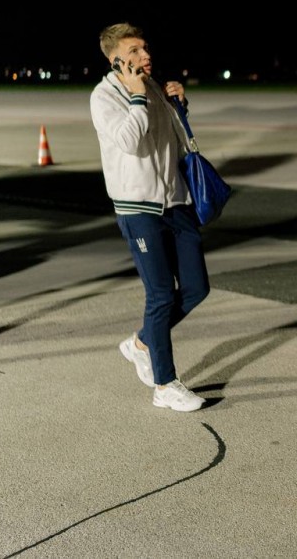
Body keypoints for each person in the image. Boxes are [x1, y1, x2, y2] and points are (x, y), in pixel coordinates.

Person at [90, 22, 209, 413]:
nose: (146, 55)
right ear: (116, 60)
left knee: (196, 288)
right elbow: (129, 140)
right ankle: (164, 384)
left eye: (145, 48)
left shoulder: (154, 85)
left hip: (176, 201)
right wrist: (138, 96)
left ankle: (141, 342)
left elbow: (175, 142)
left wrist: (178, 106)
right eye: (135, 51)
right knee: (160, 295)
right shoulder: (104, 96)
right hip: (138, 208)